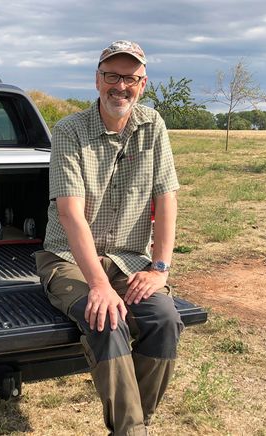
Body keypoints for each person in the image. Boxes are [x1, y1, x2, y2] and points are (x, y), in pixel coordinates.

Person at [36, 40, 183, 436]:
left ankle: (135, 423)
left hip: (130, 258)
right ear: (97, 79)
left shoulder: (153, 125)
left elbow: (166, 199)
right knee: (105, 318)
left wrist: (160, 269)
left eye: (130, 78)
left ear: (143, 82)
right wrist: (99, 285)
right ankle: (132, 430)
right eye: (112, 76)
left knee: (166, 319)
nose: (121, 86)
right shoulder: (70, 130)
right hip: (69, 258)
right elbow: (70, 212)